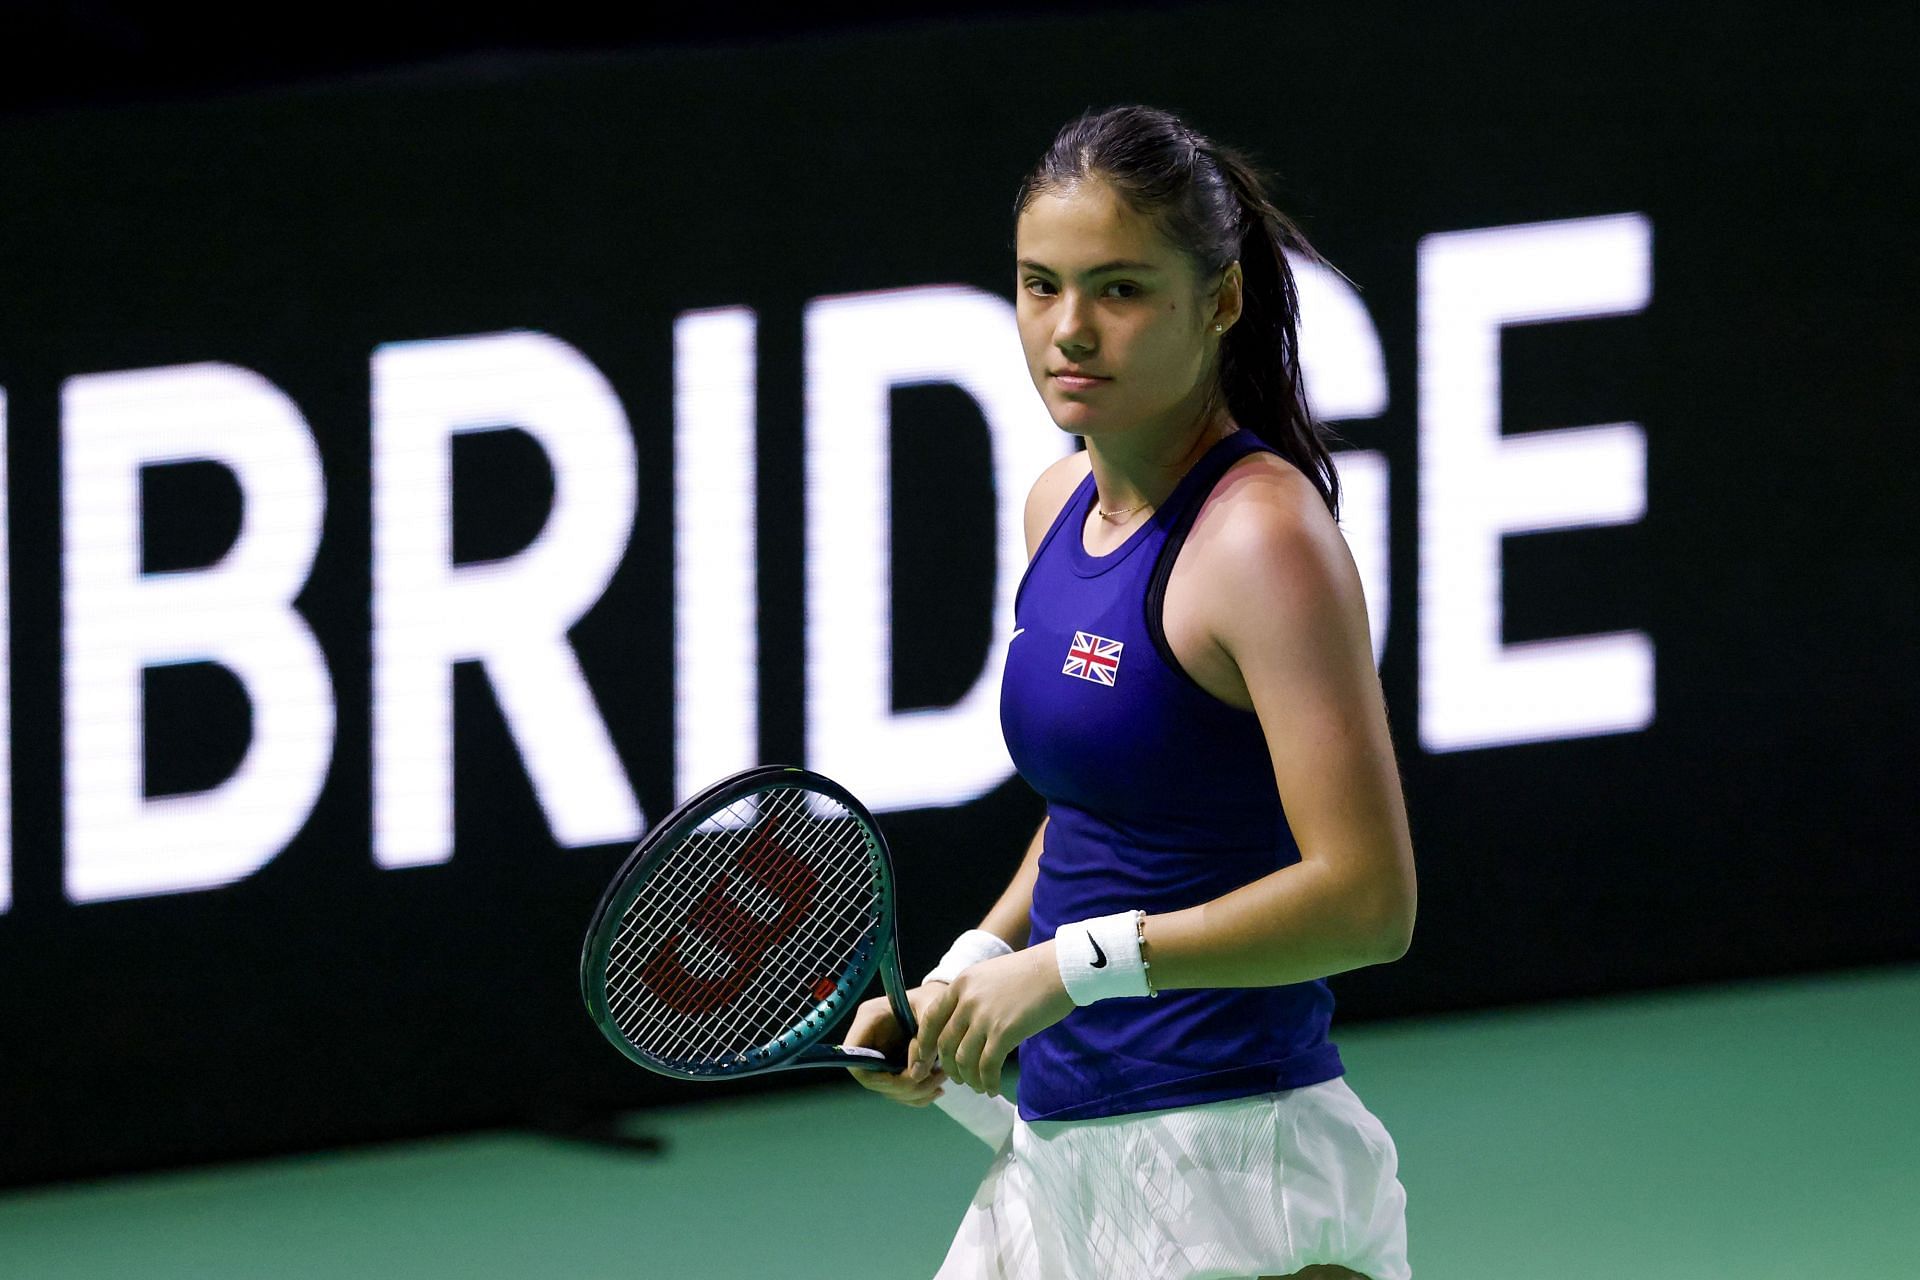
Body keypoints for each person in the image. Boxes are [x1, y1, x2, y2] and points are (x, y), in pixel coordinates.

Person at [844, 104, 1417, 1280]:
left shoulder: (1263, 542)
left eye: (1119, 289)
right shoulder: (1056, 506)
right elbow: (1108, 799)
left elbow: (1368, 901)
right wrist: (970, 965)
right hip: (1061, 1149)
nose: (1069, 331)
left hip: (1235, 1168)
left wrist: (1068, 965)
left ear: (1219, 300)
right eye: (1038, 285)